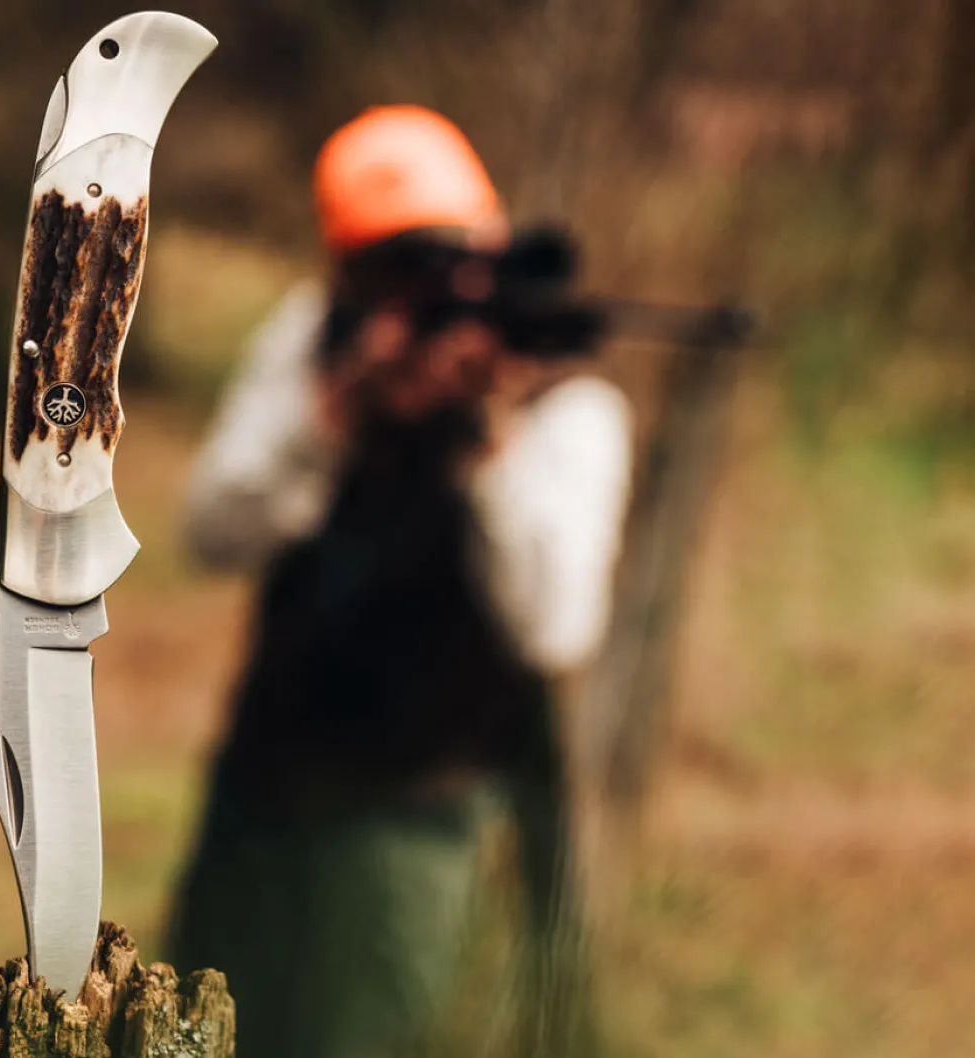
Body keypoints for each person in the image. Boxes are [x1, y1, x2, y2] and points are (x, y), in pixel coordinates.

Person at [165, 105, 634, 1058]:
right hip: (263, 789)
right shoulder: (314, 350)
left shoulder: (562, 407)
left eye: (444, 264)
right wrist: (336, 416)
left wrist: (484, 436)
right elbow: (209, 532)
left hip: (420, 820)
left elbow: (554, 629)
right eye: (391, 271)